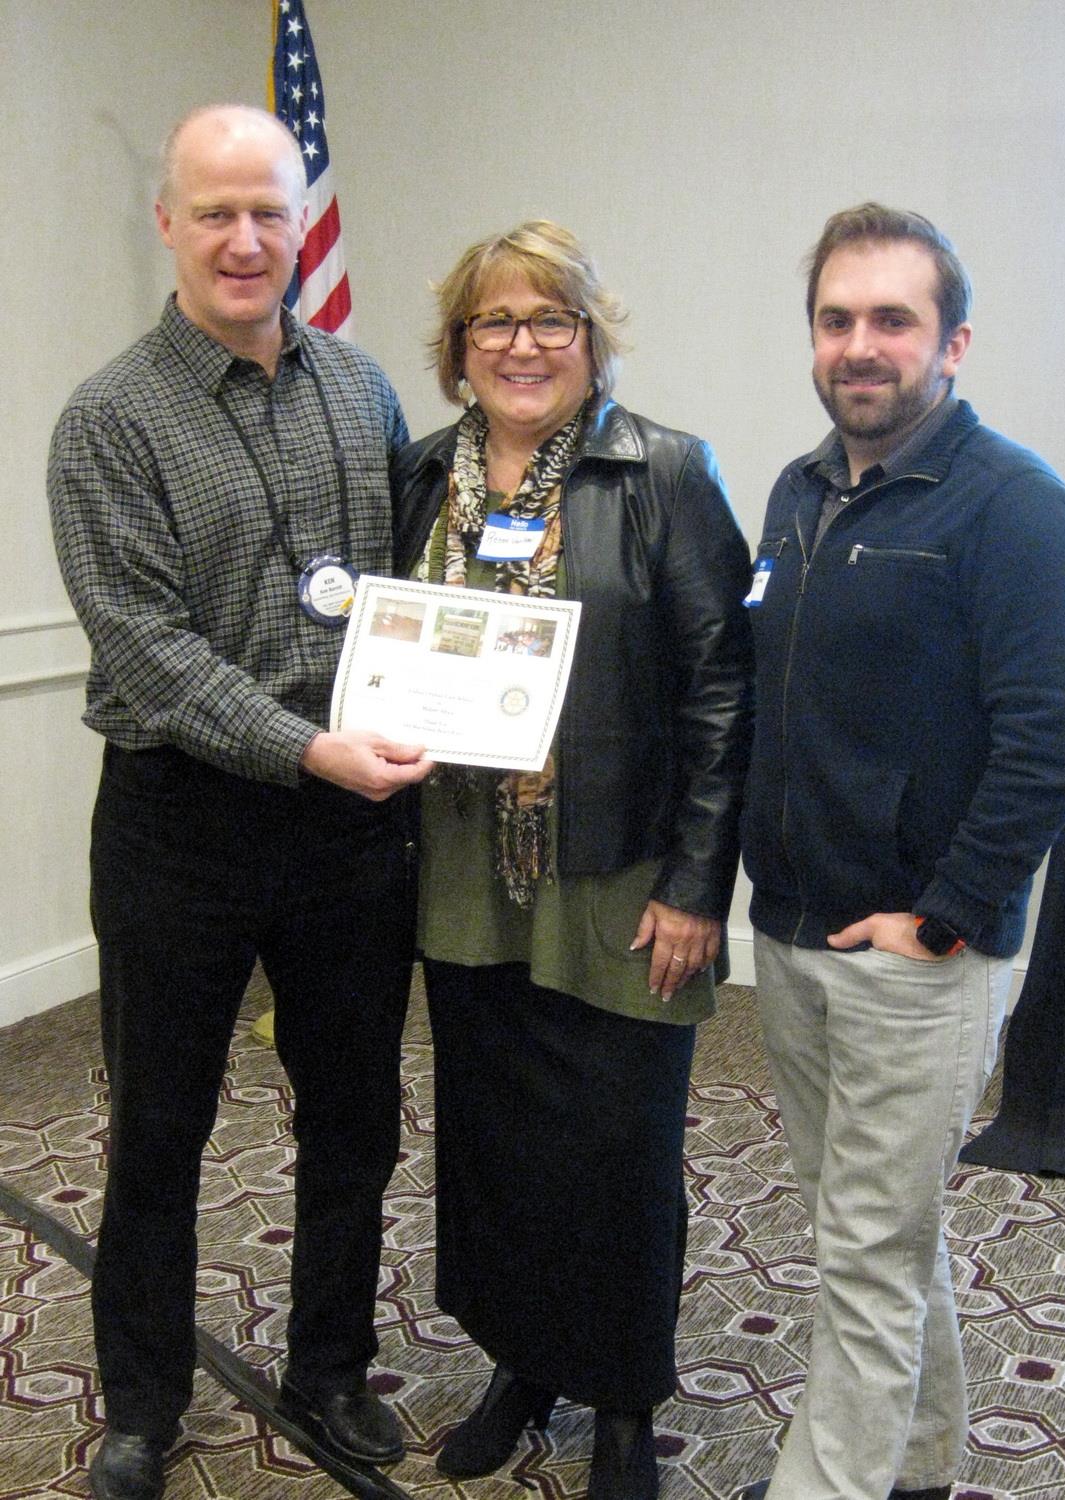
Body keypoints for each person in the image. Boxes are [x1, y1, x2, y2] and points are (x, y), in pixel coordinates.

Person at [47, 105, 432, 1500]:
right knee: (161, 1127)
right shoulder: (108, 419)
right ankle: (144, 1406)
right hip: (182, 826)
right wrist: (307, 747)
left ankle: (329, 1368)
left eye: (269, 209)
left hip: (349, 828)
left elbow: (409, 591)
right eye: (215, 211)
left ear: (299, 219)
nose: (246, 238)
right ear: (169, 223)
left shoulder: (365, 391)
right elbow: (145, 645)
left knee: (354, 1116)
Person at [735, 203, 1065, 1500]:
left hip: (916, 960)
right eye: (836, 319)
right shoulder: (798, 494)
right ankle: (919, 1464)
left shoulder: (1019, 510)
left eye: (893, 319)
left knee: (863, 1253)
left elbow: (1057, 748)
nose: (860, 345)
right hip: (794, 936)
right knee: (875, 1232)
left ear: (953, 344)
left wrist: (941, 916)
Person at [392, 220, 754, 1500]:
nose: (523, 344)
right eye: (495, 320)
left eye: (552, 318)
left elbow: (723, 691)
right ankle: (524, 1365)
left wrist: (697, 885)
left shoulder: (664, 471)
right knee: (497, 1142)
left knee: (618, 1153)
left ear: (593, 341)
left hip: (616, 873)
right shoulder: (423, 475)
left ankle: (624, 1399)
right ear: (458, 346)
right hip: (465, 872)